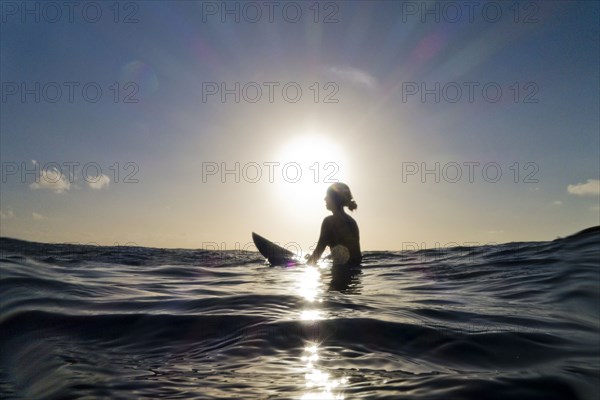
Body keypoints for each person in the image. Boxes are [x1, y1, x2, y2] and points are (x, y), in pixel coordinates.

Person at [307, 182, 361, 266]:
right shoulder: (352, 222)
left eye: (327, 196)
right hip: (355, 275)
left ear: (334, 199)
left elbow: (317, 253)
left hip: (340, 274)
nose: (324, 199)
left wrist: (300, 268)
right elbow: (357, 257)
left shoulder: (329, 222)